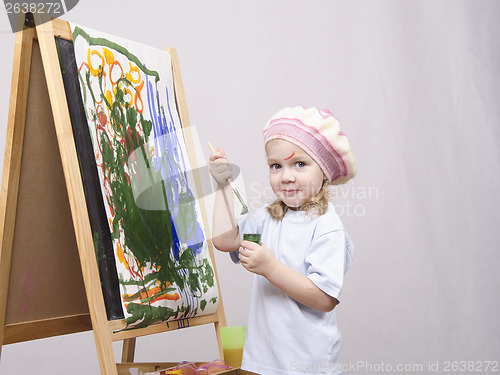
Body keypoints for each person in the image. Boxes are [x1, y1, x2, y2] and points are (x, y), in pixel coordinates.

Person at [209, 106, 356, 375]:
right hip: (263, 362)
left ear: (323, 171)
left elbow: (325, 298)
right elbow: (224, 238)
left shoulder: (326, 226)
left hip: (309, 365)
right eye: (276, 166)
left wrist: (270, 268)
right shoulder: (267, 219)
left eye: (300, 164)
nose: (286, 176)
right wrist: (222, 187)